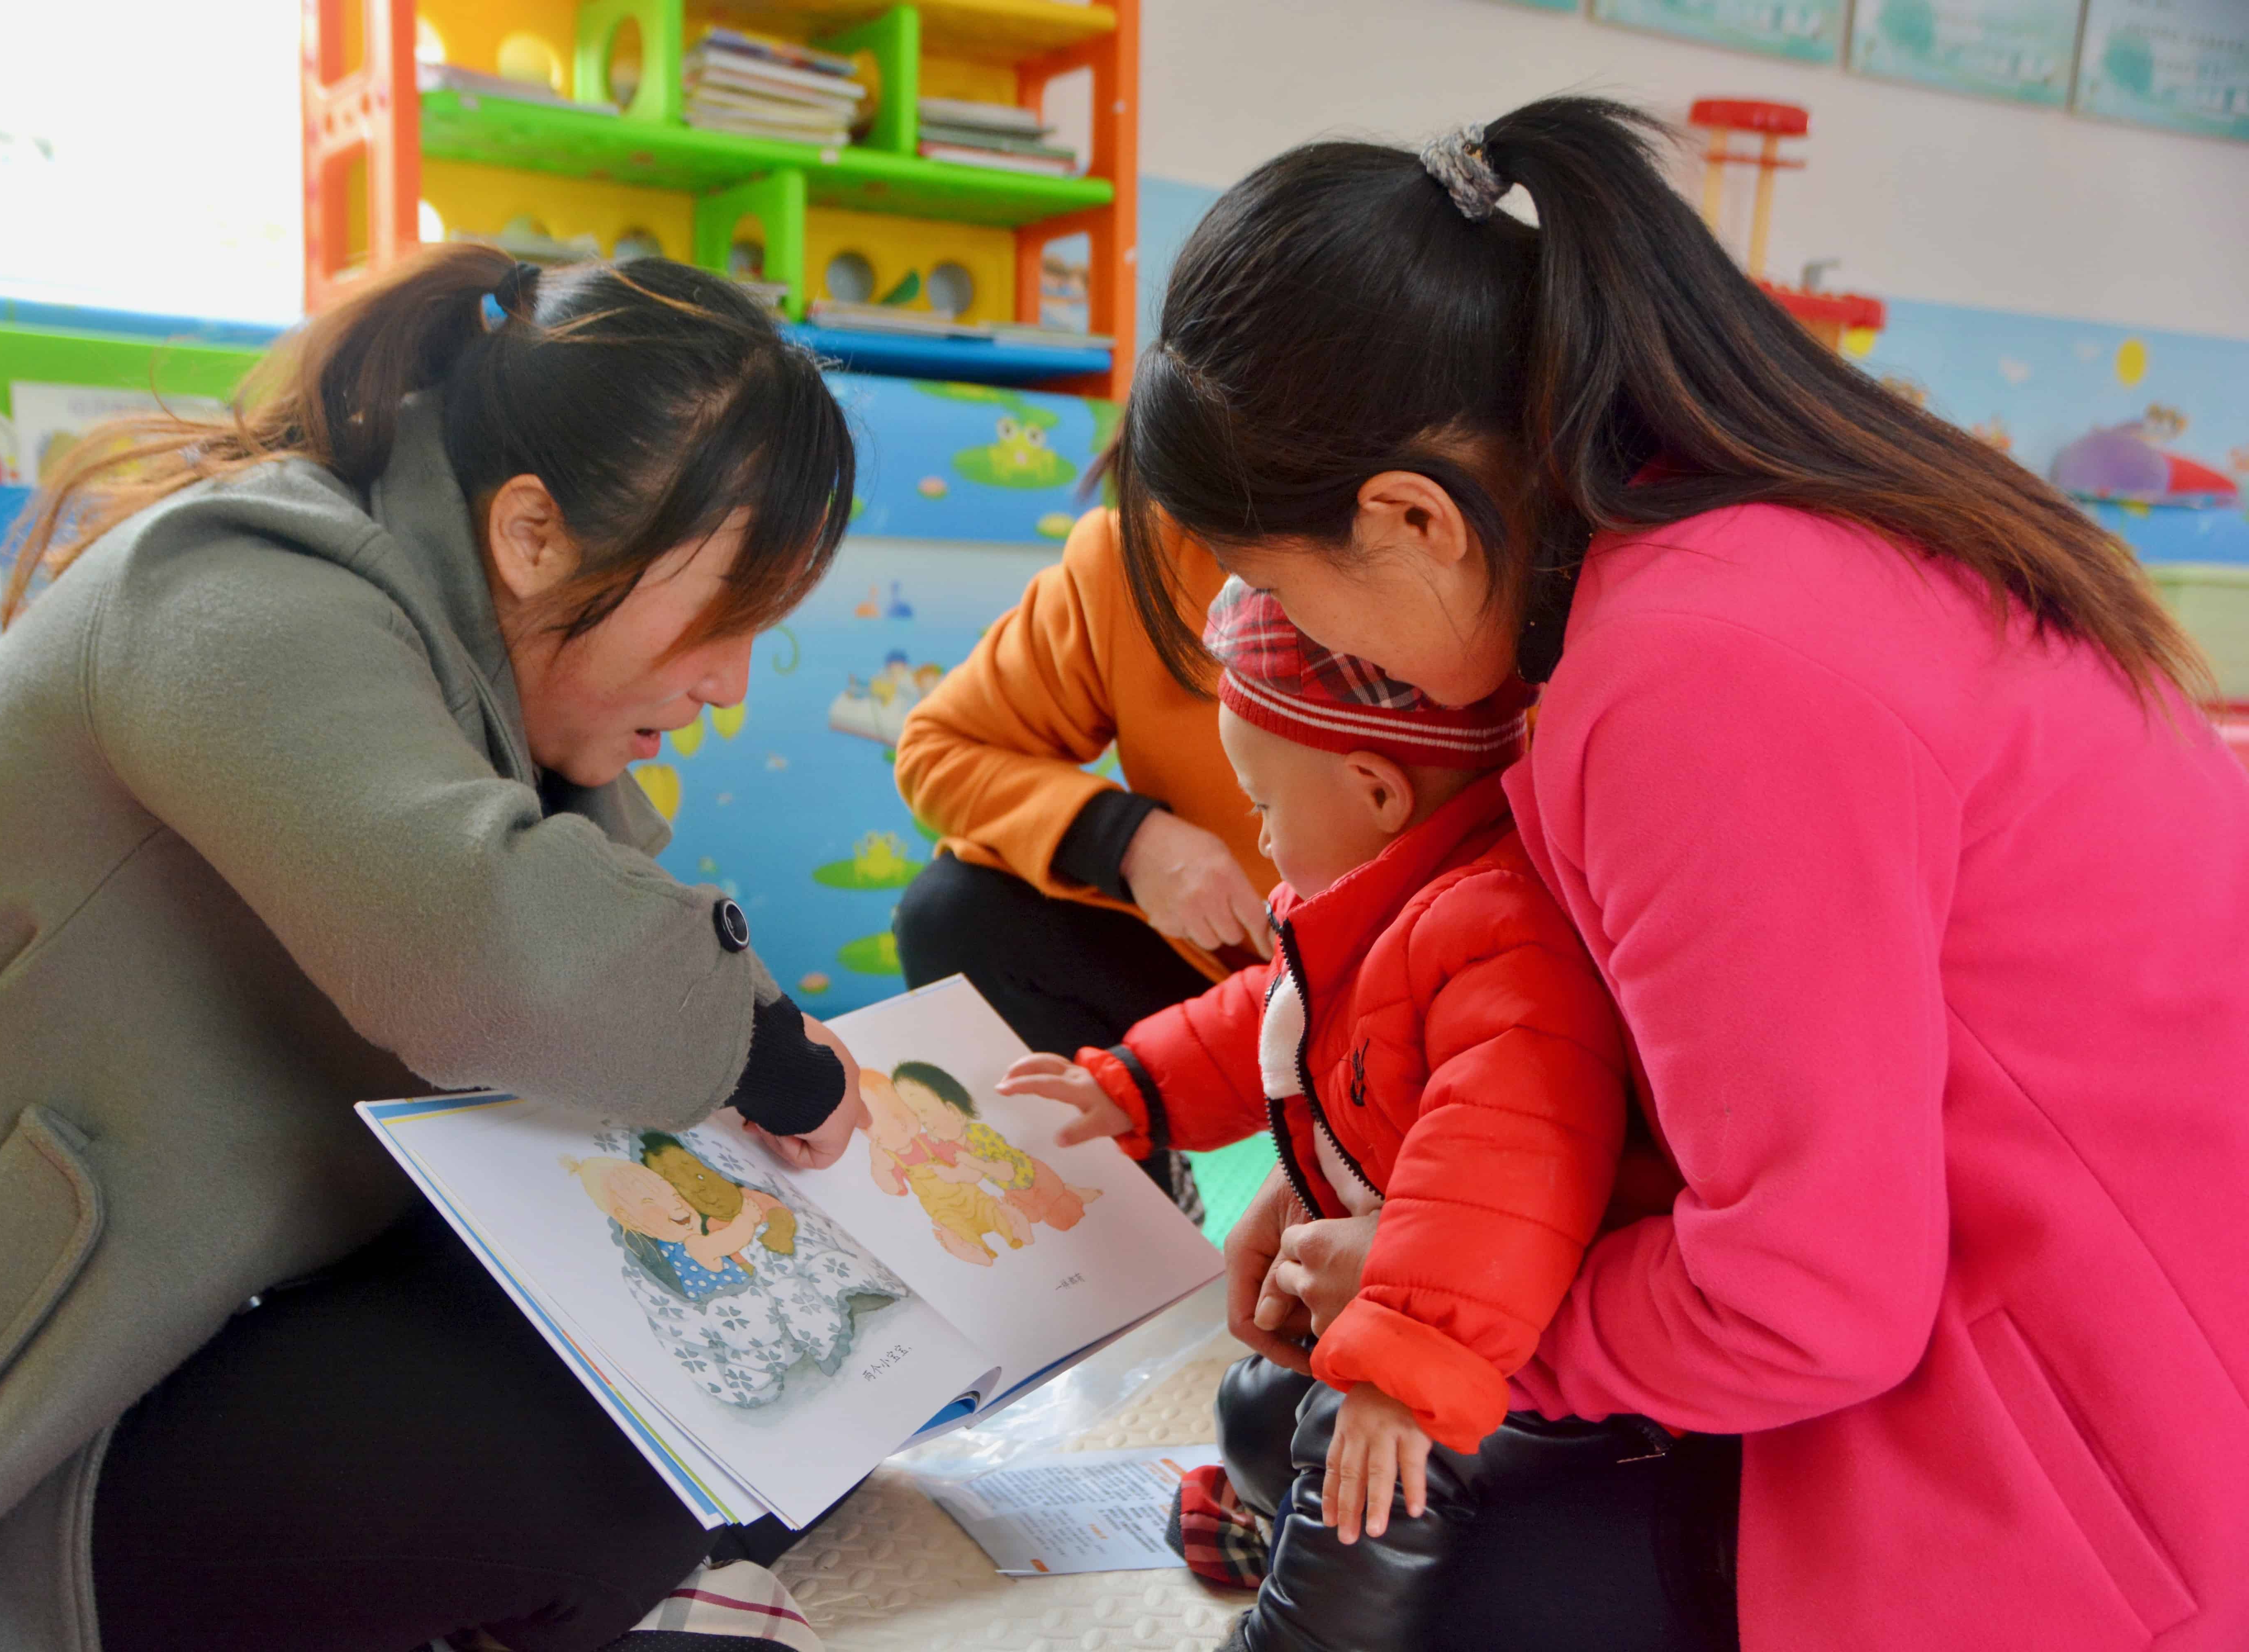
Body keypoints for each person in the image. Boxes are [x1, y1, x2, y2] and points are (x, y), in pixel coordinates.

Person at [1099, 97, 2249, 1652]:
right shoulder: (1753, 531)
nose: (1340, 658)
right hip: (2099, 1344)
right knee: (1323, 1428)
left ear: (1414, 518)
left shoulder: (1691, 672)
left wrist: (1454, 1303)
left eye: (1297, 599)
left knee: (1410, 1543)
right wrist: (1397, 1203)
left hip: (2095, 1458)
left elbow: (1806, 1298)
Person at [0, 247, 873, 1652]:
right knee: (608, 1450)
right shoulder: (237, 585)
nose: (729, 682)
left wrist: (762, 1049)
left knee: (756, 1405)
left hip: (226, 1306)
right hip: (41, 1407)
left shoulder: (468, 666)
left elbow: (604, 915)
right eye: (727, 620)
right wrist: (776, 1062)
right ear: (533, 535)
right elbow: (495, 953)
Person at [1005, 579, 1732, 1650]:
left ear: (1377, 791)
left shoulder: (1503, 940)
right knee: (1264, 1400)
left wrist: (1400, 1372)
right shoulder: (1391, 898)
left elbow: (1497, 1177)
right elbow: (1269, 1017)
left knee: (1365, 1454)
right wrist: (1130, 1087)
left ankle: (1300, 1635)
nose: (1257, 837)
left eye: (1262, 806)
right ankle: (1269, 1521)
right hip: (1420, 1296)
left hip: (1512, 1349)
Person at [891, 507, 1280, 1214]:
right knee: (956, 915)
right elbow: (937, 748)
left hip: (1430, 983)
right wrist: (1124, 839)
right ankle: (1126, 1227)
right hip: (1232, 979)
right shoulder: (1140, 554)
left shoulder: (1499, 562)